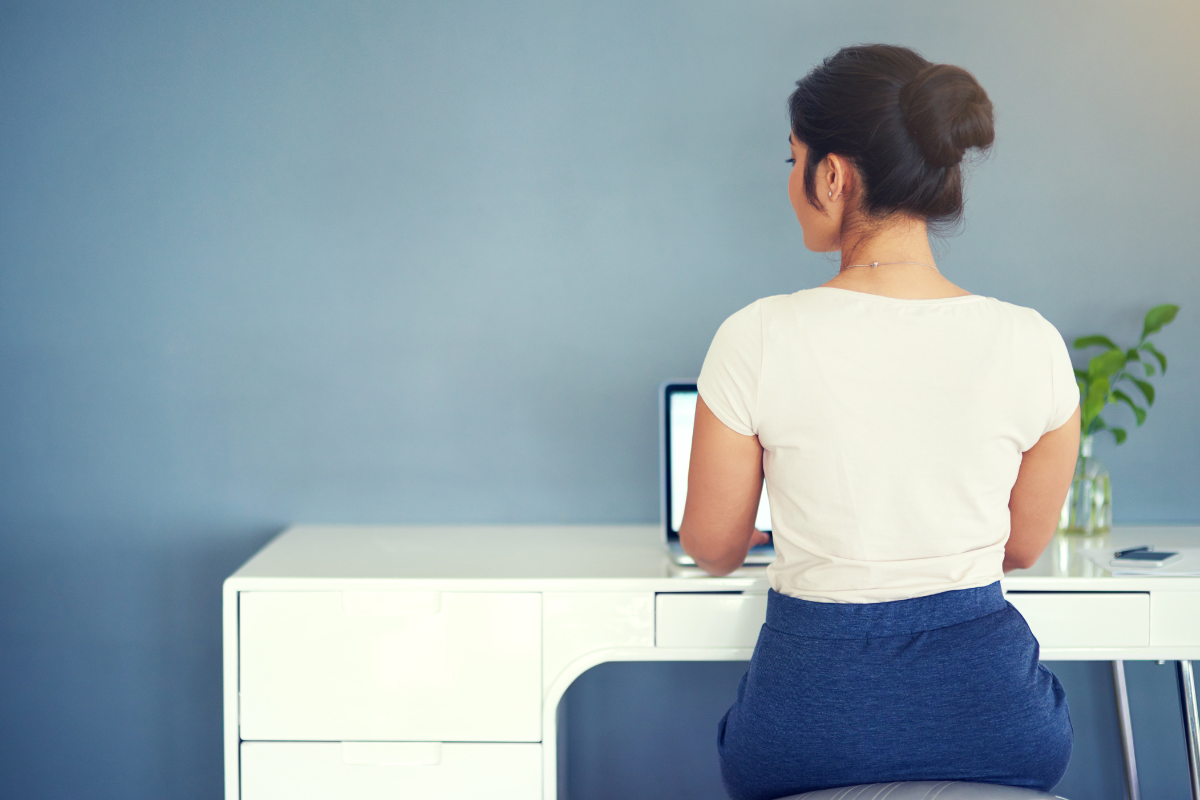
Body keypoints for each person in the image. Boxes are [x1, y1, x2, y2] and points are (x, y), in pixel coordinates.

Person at [679, 44, 1080, 800]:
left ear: (832, 175)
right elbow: (1020, 547)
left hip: (805, 735)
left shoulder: (757, 335)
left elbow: (711, 547)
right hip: (1000, 725)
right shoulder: (1031, 341)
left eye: (792, 158)